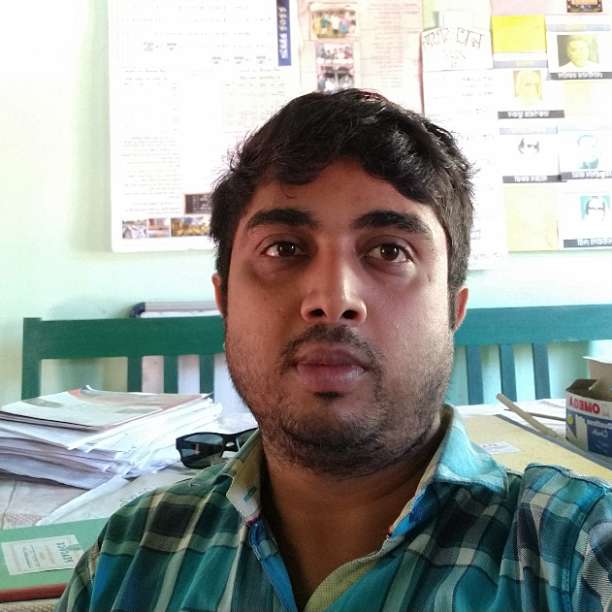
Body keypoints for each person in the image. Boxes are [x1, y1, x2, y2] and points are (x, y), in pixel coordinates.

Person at [57, 90, 612, 611]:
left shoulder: (578, 550)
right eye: (284, 248)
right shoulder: (128, 558)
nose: (334, 299)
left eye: (390, 251)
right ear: (225, 301)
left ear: (453, 309)